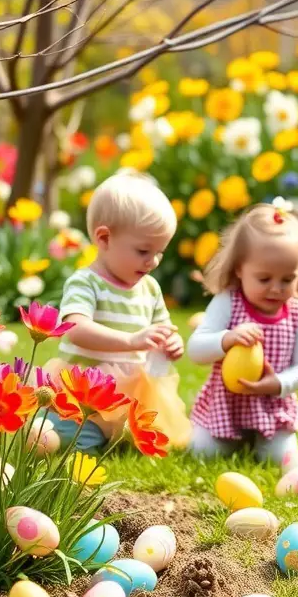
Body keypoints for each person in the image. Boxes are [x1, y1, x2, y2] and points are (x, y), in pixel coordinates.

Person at [48, 172, 190, 451]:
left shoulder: (149, 288)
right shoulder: (85, 282)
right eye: (143, 251)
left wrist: (171, 343)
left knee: (147, 437)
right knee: (76, 438)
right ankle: (57, 428)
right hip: (86, 392)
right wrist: (130, 341)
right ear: (104, 238)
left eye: (160, 251)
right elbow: (75, 328)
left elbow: (163, 329)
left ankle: (117, 434)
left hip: (132, 393)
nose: (153, 262)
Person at [188, 199, 298, 464]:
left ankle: (259, 440)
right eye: (264, 279)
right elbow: (195, 349)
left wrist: (279, 384)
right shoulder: (228, 301)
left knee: (279, 458)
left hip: (271, 407)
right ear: (240, 269)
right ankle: (232, 437)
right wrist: (226, 339)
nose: (276, 288)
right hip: (225, 406)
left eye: (288, 279)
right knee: (203, 453)